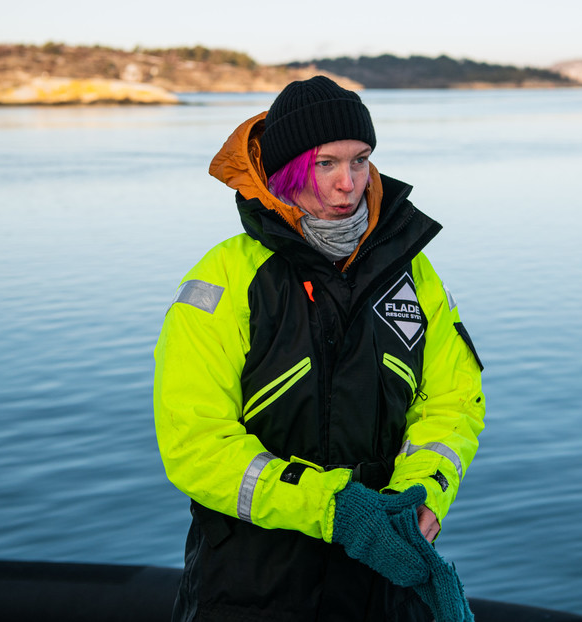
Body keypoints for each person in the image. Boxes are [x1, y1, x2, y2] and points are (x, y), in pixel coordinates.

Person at [153, 75, 486, 622]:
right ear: (286, 172)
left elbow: (453, 401)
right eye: (325, 163)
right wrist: (332, 506)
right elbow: (196, 444)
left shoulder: (411, 272)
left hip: (383, 579)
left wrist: (422, 492)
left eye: (360, 161)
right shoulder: (225, 279)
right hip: (252, 590)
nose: (347, 184)